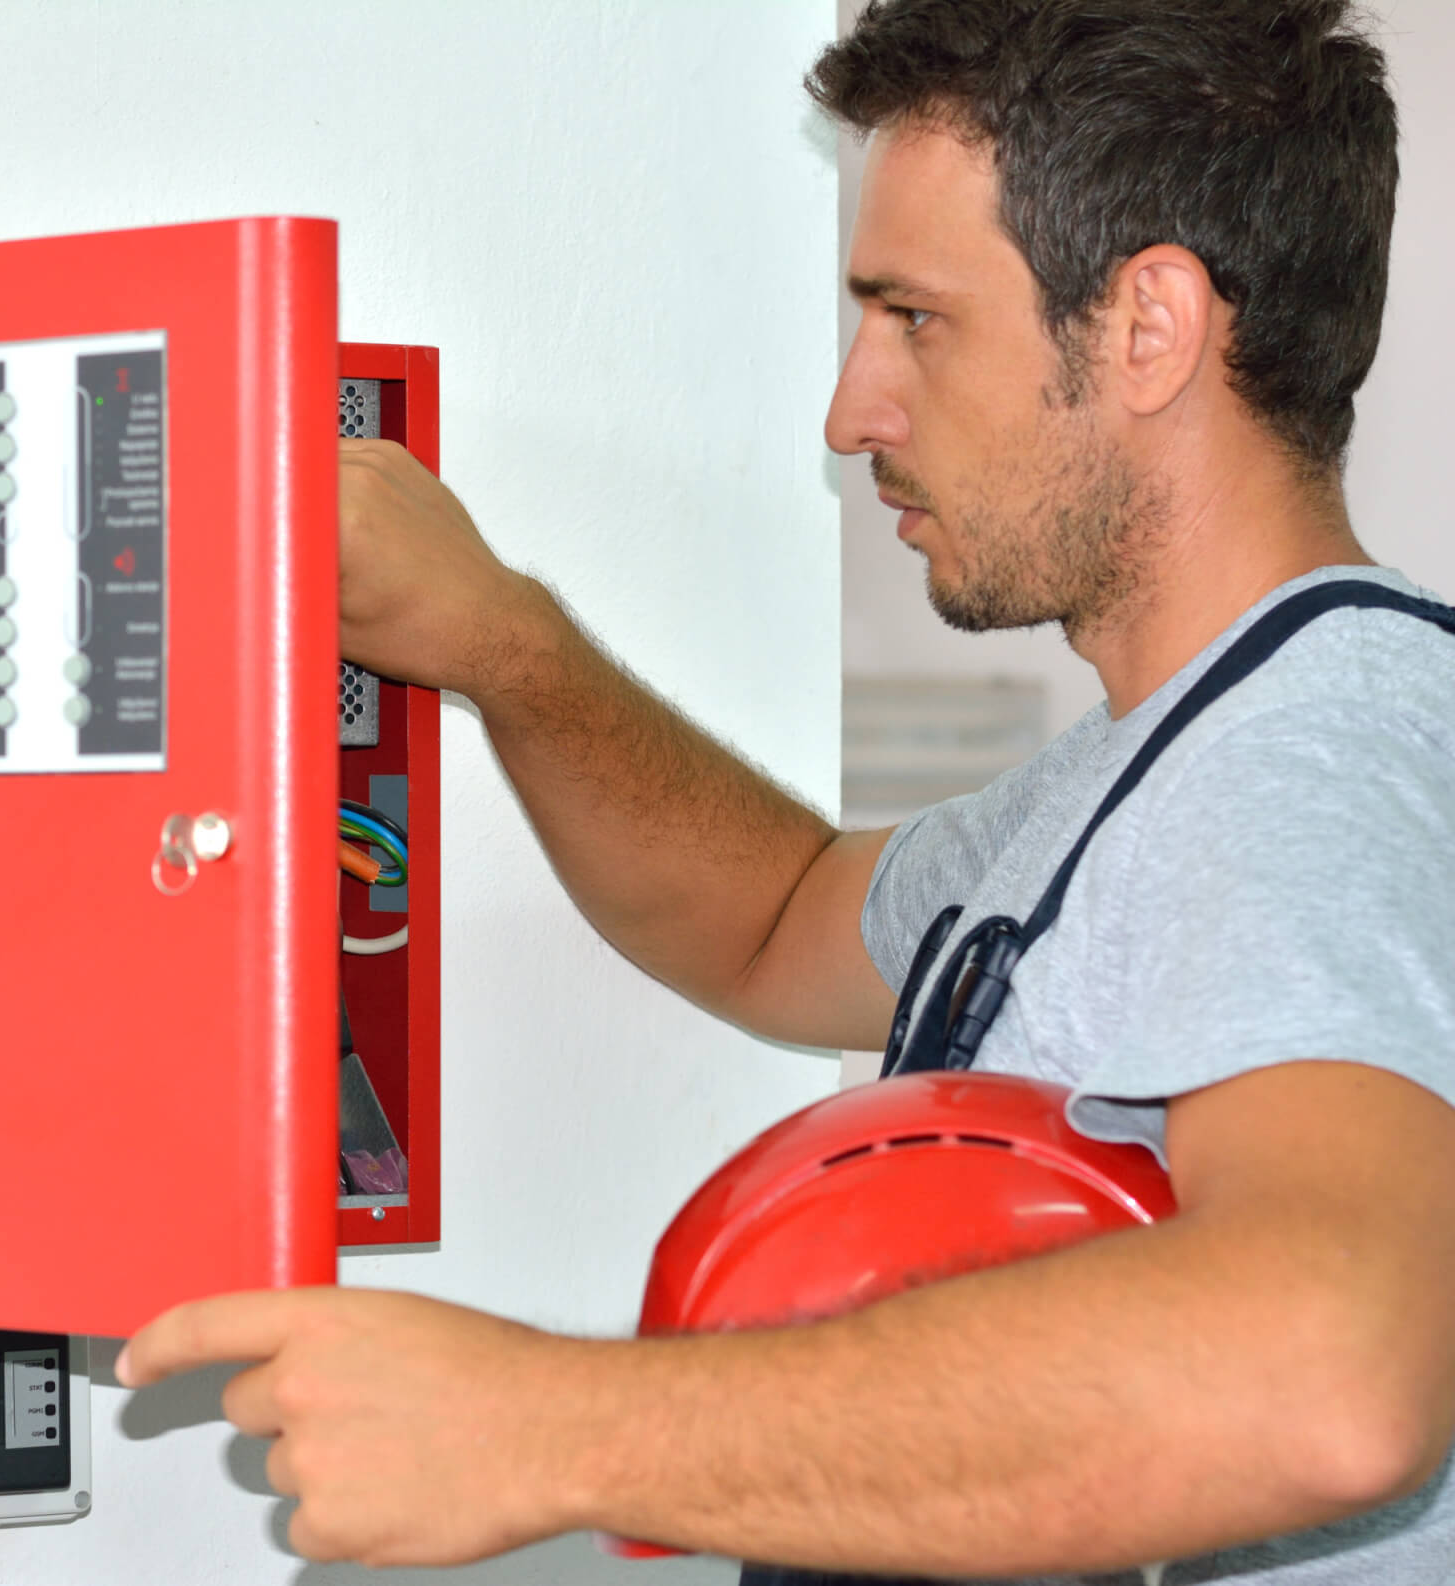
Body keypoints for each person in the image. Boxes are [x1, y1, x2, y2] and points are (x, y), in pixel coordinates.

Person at [117, 2, 1455, 1580]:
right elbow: (775, 915)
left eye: (914, 317)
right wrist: (497, 642)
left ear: (1151, 327)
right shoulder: (1149, 764)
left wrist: (545, 1424)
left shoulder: (1316, 751)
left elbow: (1333, 1375)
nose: (851, 412)